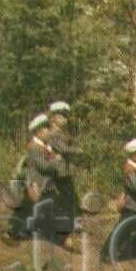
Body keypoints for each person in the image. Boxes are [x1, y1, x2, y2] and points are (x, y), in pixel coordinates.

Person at [45, 101, 82, 241]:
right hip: (57, 172)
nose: (65, 120)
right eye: (61, 116)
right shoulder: (53, 133)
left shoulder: (61, 133)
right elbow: (63, 149)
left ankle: (71, 228)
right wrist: (77, 150)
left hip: (63, 172)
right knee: (64, 200)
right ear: (53, 117)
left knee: (70, 199)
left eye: (66, 117)